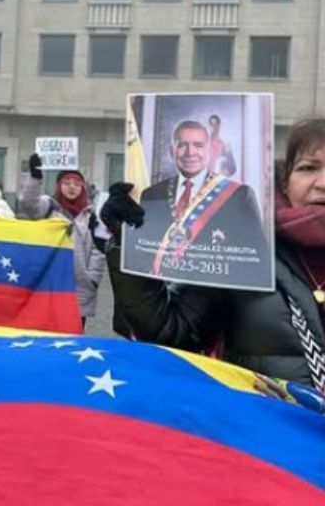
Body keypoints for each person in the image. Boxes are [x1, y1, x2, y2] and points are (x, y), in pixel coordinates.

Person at [101, 118, 325, 390]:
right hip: (265, 427)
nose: (322, 182)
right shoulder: (241, 241)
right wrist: (128, 241)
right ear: (285, 181)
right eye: (308, 167)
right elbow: (173, 333)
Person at [128, 119, 267, 283]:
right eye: (182, 145)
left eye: (198, 145)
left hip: (215, 302)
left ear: (210, 152)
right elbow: (138, 256)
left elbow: (257, 262)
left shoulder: (239, 196)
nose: (190, 152)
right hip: (160, 299)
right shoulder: (151, 195)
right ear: (172, 151)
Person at [17, 156, 106, 327]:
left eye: (77, 183)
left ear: (83, 188)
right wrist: (35, 177)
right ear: (59, 186)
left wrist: (92, 278)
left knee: (74, 331)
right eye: (67, 182)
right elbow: (28, 203)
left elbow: (98, 250)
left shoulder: (92, 215)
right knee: (47, 329)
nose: (72, 187)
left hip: (79, 284)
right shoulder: (48, 206)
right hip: (50, 280)